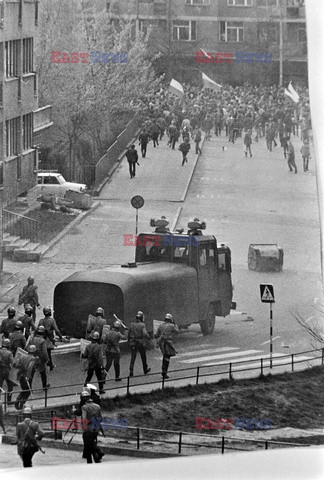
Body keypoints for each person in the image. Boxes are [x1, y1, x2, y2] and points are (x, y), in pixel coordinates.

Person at [81, 391, 104, 464]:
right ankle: (96, 459)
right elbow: (100, 418)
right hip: (96, 427)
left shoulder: (84, 407)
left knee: (88, 445)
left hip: (88, 428)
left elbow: (84, 419)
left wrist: (84, 429)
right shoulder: (97, 406)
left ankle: (97, 454)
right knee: (91, 443)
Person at [38, 306, 64, 371]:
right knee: (48, 352)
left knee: (42, 351)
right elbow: (57, 330)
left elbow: (37, 330)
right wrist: (61, 337)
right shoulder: (52, 321)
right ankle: (50, 364)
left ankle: (48, 364)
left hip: (41, 338)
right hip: (48, 338)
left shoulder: (41, 321)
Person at [154, 313, 179, 379]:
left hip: (162, 343)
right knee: (167, 357)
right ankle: (164, 372)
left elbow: (156, 335)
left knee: (165, 356)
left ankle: (164, 370)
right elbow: (177, 331)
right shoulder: (172, 326)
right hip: (168, 343)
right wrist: (175, 324)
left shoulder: (160, 325)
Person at [128, 311, 151, 377]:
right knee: (143, 356)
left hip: (133, 342)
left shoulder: (132, 324)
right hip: (140, 342)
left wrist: (129, 340)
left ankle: (131, 371)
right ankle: (145, 369)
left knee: (133, 357)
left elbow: (129, 334)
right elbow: (144, 333)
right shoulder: (142, 325)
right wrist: (148, 337)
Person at [15, 345, 37, 410]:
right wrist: (28, 376)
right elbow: (30, 368)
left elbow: (18, 365)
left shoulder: (22, 356)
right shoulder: (33, 359)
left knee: (24, 389)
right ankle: (22, 403)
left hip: (20, 376)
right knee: (28, 391)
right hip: (27, 376)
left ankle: (18, 400)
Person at [30, 326, 50, 390]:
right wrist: (47, 359)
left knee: (31, 373)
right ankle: (44, 386)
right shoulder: (42, 341)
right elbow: (44, 352)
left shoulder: (32, 339)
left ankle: (29, 387)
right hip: (40, 358)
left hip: (32, 357)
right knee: (43, 373)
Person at [0, 338, 14, 404]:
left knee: (0, 386)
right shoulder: (9, 353)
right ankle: (9, 401)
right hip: (7, 370)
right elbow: (12, 362)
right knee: (10, 387)